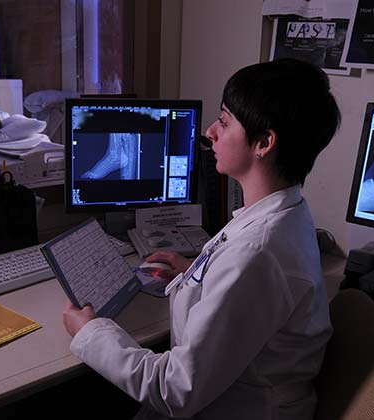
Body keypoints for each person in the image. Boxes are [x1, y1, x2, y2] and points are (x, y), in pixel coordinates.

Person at [62, 58, 341, 419]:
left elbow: (174, 391)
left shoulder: (257, 252)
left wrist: (89, 332)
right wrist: (199, 272)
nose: (210, 132)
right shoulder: (285, 212)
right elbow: (246, 281)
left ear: (264, 142)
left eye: (224, 121)